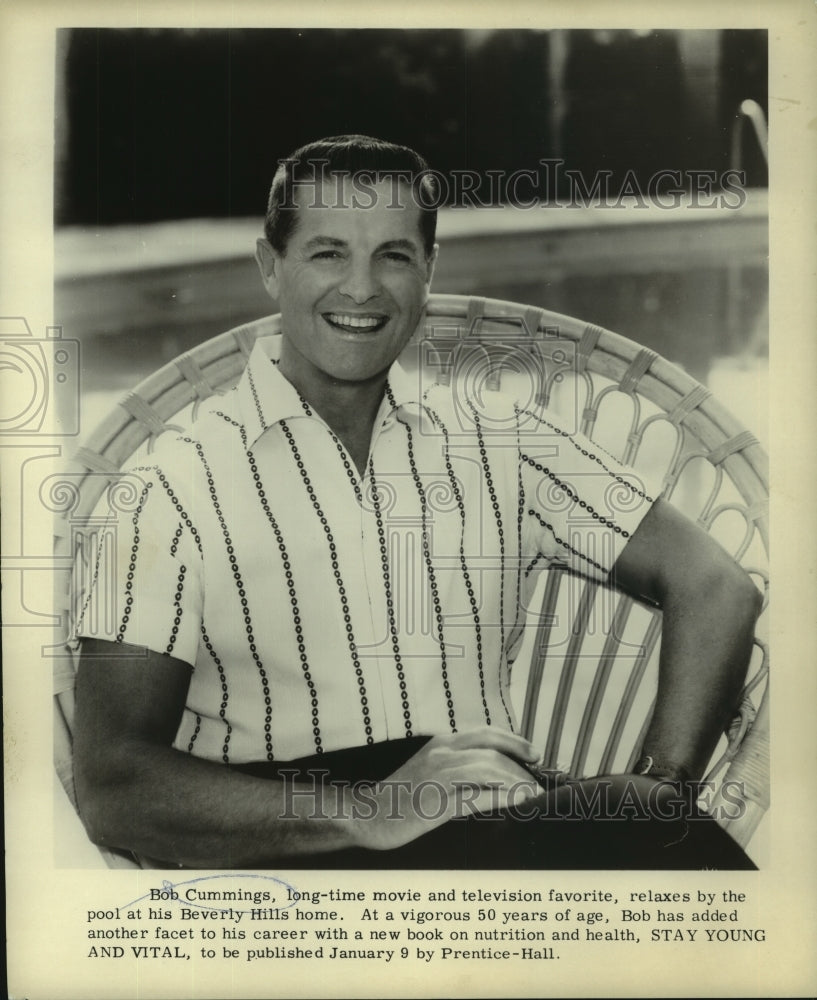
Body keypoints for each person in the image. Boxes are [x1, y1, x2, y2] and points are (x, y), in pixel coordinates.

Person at [72, 135, 762, 870]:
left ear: (428, 271)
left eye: (393, 255)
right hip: (291, 864)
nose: (362, 288)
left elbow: (715, 585)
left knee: (656, 839)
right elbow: (114, 786)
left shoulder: (501, 440)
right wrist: (372, 811)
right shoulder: (167, 489)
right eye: (328, 252)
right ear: (271, 266)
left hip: (496, 838)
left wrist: (661, 785)